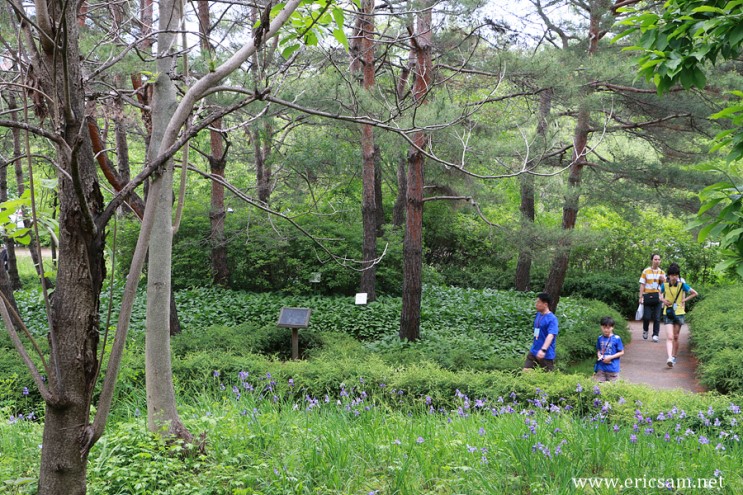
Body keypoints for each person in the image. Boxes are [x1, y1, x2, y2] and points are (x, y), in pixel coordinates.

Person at [660, 263, 698, 368]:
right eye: (672, 275)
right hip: (668, 312)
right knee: (670, 336)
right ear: (668, 275)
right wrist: (663, 300)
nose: (674, 277)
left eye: (676, 275)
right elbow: (658, 294)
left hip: (679, 313)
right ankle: (669, 358)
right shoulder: (665, 285)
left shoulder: (682, 285)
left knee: (676, 336)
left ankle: (674, 356)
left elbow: (695, 293)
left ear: (678, 276)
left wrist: (684, 300)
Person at [523, 292, 559, 372]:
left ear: (545, 304)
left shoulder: (552, 319)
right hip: (534, 351)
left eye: (538, 302)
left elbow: (551, 335)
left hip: (546, 354)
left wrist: (543, 350)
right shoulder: (538, 315)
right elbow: (537, 329)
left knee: (547, 378)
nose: (536, 304)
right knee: (526, 372)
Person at [639, 253, 665, 342]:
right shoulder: (646, 271)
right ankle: (645, 330)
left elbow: (664, 287)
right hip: (647, 296)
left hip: (658, 296)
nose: (657, 261)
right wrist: (640, 297)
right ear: (652, 260)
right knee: (646, 317)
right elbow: (642, 284)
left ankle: (655, 334)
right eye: (655, 259)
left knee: (657, 317)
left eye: (659, 259)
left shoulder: (662, 272)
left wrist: (663, 281)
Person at [593, 316, 624, 382]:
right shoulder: (600, 338)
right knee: (598, 388)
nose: (606, 330)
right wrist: (599, 355)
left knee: (612, 389)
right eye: (604, 328)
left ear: (612, 327)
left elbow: (621, 352)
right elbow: (598, 350)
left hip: (612, 368)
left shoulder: (617, 338)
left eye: (608, 328)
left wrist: (610, 357)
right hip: (601, 368)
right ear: (601, 327)